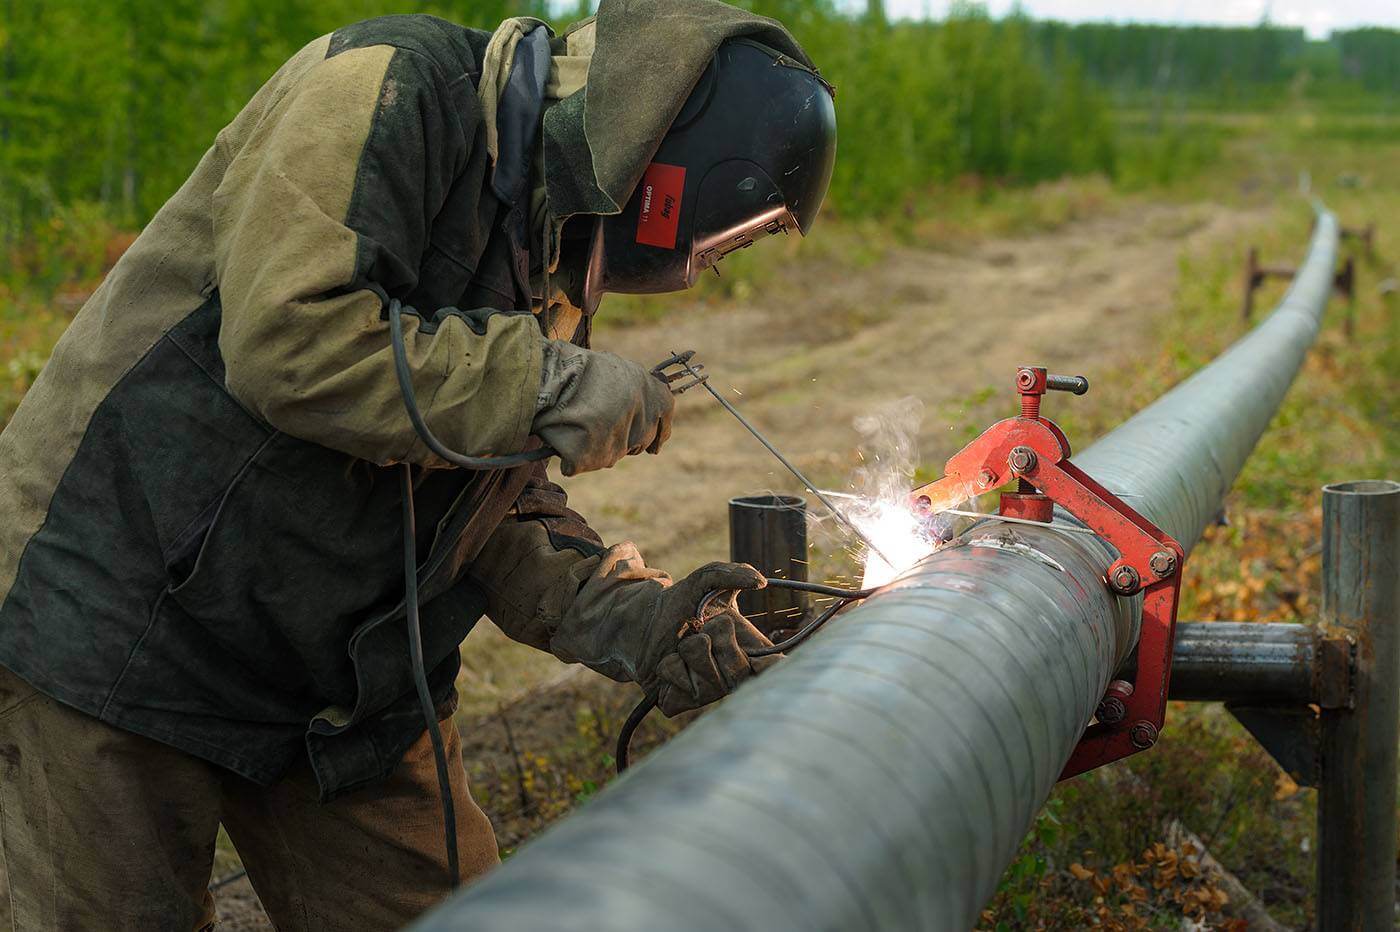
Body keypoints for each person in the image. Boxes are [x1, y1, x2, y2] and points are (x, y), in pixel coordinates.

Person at [0, 0, 836, 928]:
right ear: (667, 162)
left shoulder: (545, 251)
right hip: (121, 615)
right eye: (729, 239)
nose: (706, 267)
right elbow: (291, 344)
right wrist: (545, 385)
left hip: (343, 673)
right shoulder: (386, 86)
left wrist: (634, 617)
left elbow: (478, 494)